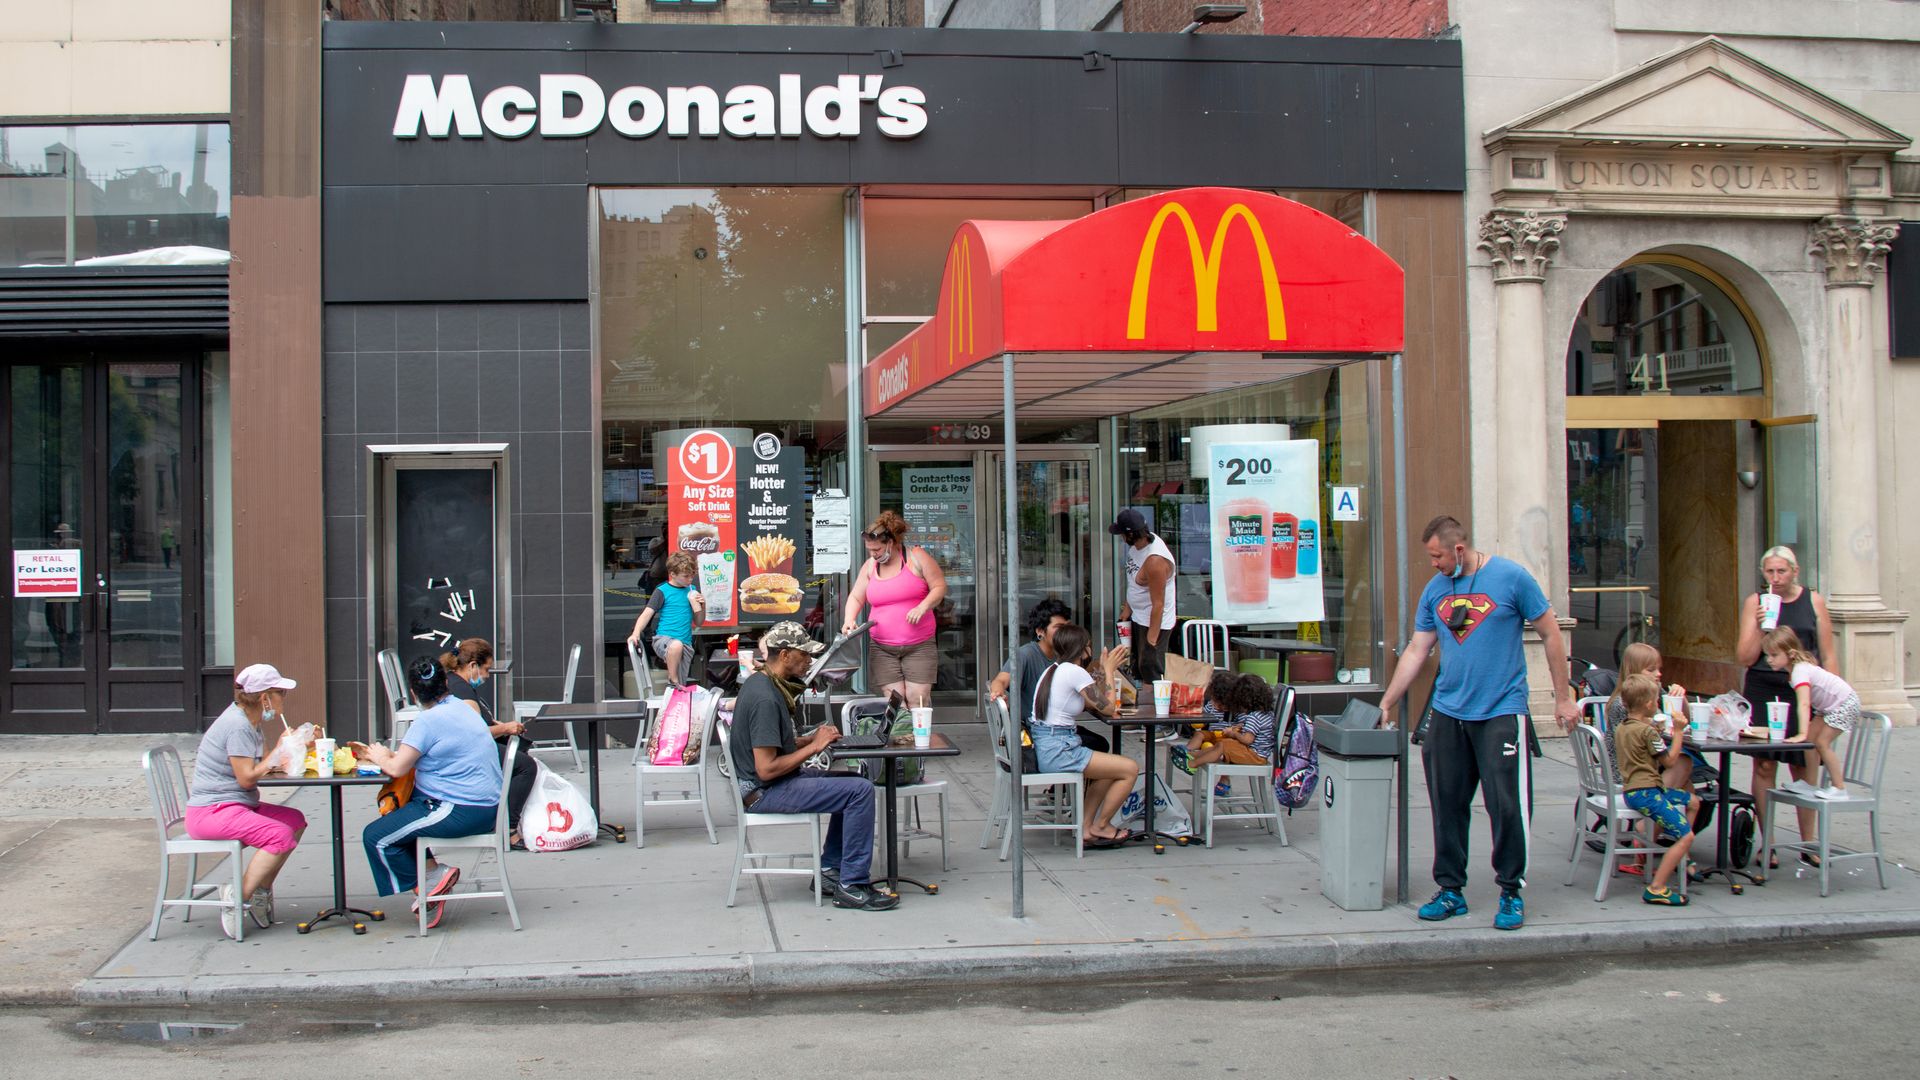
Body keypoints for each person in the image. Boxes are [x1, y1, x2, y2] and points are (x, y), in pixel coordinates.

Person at [1377, 515, 1577, 931]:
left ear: (1459, 550)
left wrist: (1563, 696)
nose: (1432, 563)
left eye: (1437, 555)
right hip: (1449, 711)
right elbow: (1418, 649)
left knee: (1507, 807)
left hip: (1502, 710)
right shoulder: (1435, 590)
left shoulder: (1511, 578)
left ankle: (1510, 890)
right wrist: (1388, 701)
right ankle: (1451, 891)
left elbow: (1551, 633)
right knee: (1447, 805)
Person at [728, 621, 899, 911]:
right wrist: (815, 747)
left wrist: (806, 740)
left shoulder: (762, 681)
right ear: (784, 656)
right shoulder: (766, 699)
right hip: (762, 791)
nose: (810, 661)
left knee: (851, 782)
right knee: (859, 791)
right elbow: (766, 769)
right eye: (804, 655)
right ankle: (852, 886)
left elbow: (769, 743)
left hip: (766, 784)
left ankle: (832, 872)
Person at [354, 657, 505, 929]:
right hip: (485, 804)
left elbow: (398, 768)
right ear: (446, 683)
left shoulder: (427, 722)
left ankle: (430, 885)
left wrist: (378, 756)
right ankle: (432, 878)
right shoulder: (461, 707)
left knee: (376, 837)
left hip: (460, 809)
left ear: (413, 693)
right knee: (400, 814)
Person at [184, 663, 309, 938]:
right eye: (280, 694)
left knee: (295, 821)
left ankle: (260, 892)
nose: (283, 700)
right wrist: (277, 752)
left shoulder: (250, 722)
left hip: (235, 804)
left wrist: (289, 752)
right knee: (278, 835)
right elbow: (247, 778)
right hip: (212, 811)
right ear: (265, 697)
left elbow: (262, 765)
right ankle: (237, 897)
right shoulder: (238, 725)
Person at [1735, 546, 1833, 862]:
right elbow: (1745, 657)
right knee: (1764, 763)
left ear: (1795, 571)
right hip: (1763, 685)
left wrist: (1831, 698)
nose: (1775, 579)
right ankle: (1770, 843)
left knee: (1804, 762)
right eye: (1769, 572)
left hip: (1803, 688)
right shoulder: (1756, 603)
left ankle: (1808, 843)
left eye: (1782, 572)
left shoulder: (1813, 601)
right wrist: (1763, 627)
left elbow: (1828, 654)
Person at [1028, 623, 1138, 848]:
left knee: (1108, 771)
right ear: (1083, 649)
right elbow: (1107, 707)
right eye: (1089, 646)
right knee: (1129, 769)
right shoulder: (1073, 671)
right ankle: (1101, 826)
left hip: (1051, 745)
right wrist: (1108, 669)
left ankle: (1087, 827)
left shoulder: (1055, 670)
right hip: (1060, 750)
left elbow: (1092, 699)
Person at [841, 510, 947, 708]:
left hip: (919, 644)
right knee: (894, 699)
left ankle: (920, 739)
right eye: (870, 550)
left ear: (891, 542)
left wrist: (922, 607)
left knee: (918, 697)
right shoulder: (870, 566)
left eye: (877, 550)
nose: (873, 554)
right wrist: (849, 619)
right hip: (882, 646)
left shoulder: (916, 557)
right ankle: (902, 738)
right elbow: (856, 596)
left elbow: (939, 587)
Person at [440, 637, 537, 850]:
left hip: (457, 748)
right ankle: (508, 829)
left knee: (518, 754)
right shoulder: (462, 692)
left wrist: (497, 724)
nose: (487, 676)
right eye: (486, 669)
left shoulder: (454, 682)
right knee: (526, 767)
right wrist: (504, 728)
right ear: (473, 666)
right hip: (466, 752)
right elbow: (476, 733)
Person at [1611, 674, 1696, 907]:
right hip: (1648, 793)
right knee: (1686, 836)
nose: (1658, 703)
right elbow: (1669, 762)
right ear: (1649, 704)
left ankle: (1681, 858)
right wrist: (1678, 731)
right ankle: (1657, 887)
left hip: (1634, 791)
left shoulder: (1624, 727)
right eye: (1657, 699)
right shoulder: (1647, 733)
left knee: (1693, 801)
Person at [985, 597, 1110, 754]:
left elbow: (1090, 699)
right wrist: (998, 693)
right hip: (1039, 732)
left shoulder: (1067, 656)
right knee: (1097, 745)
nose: (1064, 632)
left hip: (1059, 728)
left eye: (1067, 627)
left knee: (1099, 743)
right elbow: (1001, 680)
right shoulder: (1026, 654)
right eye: (1058, 627)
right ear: (1040, 631)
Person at [1764, 626, 1862, 805]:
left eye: (1774, 655)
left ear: (1791, 654)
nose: (1769, 660)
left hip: (1844, 703)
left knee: (1821, 743)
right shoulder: (1796, 670)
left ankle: (1840, 788)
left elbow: (1803, 703)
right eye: (1767, 655)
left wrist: (1801, 733)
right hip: (1829, 706)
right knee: (1810, 742)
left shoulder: (1800, 671)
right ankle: (1810, 784)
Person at [1108, 509, 1174, 686]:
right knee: (1136, 665)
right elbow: (1133, 581)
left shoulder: (1155, 562)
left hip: (1153, 622)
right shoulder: (1138, 546)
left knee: (1150, 668)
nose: (1121, 537)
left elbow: (1158, 604)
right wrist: (1127, 609)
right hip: (1138, 615)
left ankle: (1153, 708)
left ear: (1130, 534)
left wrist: (1151, 640)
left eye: (1121, 533)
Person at [627, 550, 705, 687]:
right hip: (664, 638)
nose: (690, 579)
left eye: (692, 575)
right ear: (673, 574)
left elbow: (699, 622)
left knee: (681, 685)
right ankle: (672, 679)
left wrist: (702, 605)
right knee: (676, 646)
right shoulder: (662, 591)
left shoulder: (692, 589)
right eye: (686, 576)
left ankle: (674, 691)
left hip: (685, 643)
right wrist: (636, 633)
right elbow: (646, 614)